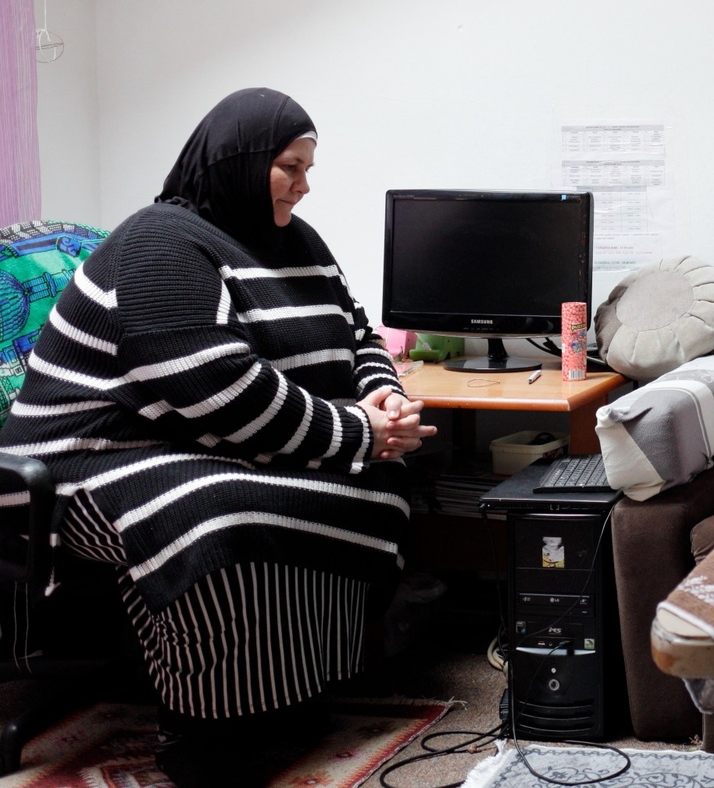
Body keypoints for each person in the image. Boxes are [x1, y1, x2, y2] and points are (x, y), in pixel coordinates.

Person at [0, 88, 435, 788]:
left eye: (308, 167)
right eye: (290, 166)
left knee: (368, 483)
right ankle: (207, 731)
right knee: (219, 514)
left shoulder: (297, 241)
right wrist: (359, 429)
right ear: (241, 160)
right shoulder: (158, 244)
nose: (304, 183)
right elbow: (217, 388)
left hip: (194, 443)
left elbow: (356, 330)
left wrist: (377, 392)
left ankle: (285, 698)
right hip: (92, 454)